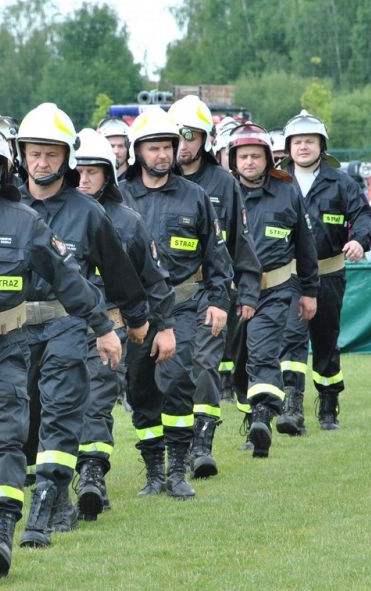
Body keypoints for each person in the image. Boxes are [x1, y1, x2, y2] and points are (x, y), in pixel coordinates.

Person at [0, 125, 124, 576]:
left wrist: (102, 325)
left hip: (5, 347)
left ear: (4, 169)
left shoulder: (24, 221)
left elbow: (67, 280)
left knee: (2, 435)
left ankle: (1, 530)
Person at [16, 103, 149, 548]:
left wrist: (138, 320)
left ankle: (50, 503)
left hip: (69, 325)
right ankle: (49, 496)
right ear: (22, 155)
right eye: (35, 152)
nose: (42, 162)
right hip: (14, 331)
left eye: (51, 153)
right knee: (27, 417)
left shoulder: (88, 211)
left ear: (66, 158)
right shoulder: (9, 208)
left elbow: (119, 272)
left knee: (60, 409)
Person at [119, 106, 233, 498]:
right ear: (138, 151)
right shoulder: (118, 195)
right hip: (133, 313)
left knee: (177, 380)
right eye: (153, 148)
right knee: (141, 390)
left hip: (184, 305)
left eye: (168, 146)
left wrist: (218, 300)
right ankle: (153, 471)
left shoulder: (195, 196)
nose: (163, 154)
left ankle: (178, 470)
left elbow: (218, 255)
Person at [74, 128, 176, 518]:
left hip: (111, 329)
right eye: (78, 171)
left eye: (92, 172)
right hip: (53, 331)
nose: (83, 179)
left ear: (108, 175)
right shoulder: (42, 216)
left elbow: (152, 279)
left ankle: (92, 477)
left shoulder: (127, 221)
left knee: (98, 403)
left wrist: (163, 325)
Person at [168, 95, 261, 477]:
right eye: (179, 135)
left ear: (205, 139)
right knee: (171, 374)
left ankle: (203, 444)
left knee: (205, 364)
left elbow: (240, 242)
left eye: (192, 135)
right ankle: (174, 448)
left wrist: (249, 291)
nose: (184, 142)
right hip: (164, 300)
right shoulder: (154, 181)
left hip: (211, 292)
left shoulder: (223, 183)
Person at [278, 111, 371, 433]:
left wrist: (359, 241)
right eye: (297, 142)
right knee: (291, 338)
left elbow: (364, 216)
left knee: (325, 341)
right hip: (288, 276)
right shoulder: (277, 183)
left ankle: (329, 403)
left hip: (328, 274)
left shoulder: (341, 183)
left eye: (310, 141)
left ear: (322, 146)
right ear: (288, 147)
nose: (303, 147)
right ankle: (292, 407)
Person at [226, 122, 319, 458]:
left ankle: (263, 417)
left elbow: (305, 246)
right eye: (243, 156)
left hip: (277, 289)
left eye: (256, 156)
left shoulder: (287, 191)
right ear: (233, 160)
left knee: (264, 352)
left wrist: (309, 291)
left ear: (269, 158)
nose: (250, 162)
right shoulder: (222, 193)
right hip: (233, 294)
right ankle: (252, 422)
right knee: (239, 366)